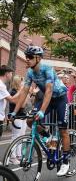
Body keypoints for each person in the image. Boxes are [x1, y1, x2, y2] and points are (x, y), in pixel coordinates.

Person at [8, 46, 71, 176]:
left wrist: (42, 111)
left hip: (60, 99)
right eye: (26, 56)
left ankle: (65, 160)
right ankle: (48, 137)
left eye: (30, 57)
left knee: (63, 130)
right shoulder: (30, 73)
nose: (27, 59)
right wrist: (14, 112)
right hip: (47, 100)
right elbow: (24, 92)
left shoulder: (47, 69)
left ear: (39, 58)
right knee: (31, 121)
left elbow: (48, 91)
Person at [0, 66, 19, 141]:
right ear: (7, 74)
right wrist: (21, 90)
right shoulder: (1, 86)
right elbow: (11, 99)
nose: (12, 75)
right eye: (11, 73)